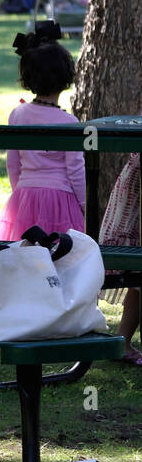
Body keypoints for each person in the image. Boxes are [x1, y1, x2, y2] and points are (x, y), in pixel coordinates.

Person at [0, 24, 85, 240]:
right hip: (61, 200)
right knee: (63, 257)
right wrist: (84, 204)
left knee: (25, 257)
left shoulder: (18, 115)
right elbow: (75, 170)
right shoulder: (69, 122)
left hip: (25, 196)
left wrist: (19, 193)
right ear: (65, 78)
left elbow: (13, 163)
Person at [100, 153, 140, 365]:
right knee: (137, 276)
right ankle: (123, 342)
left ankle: (123, 341)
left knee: (137, 282)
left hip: (130, 222)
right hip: (133, 225)